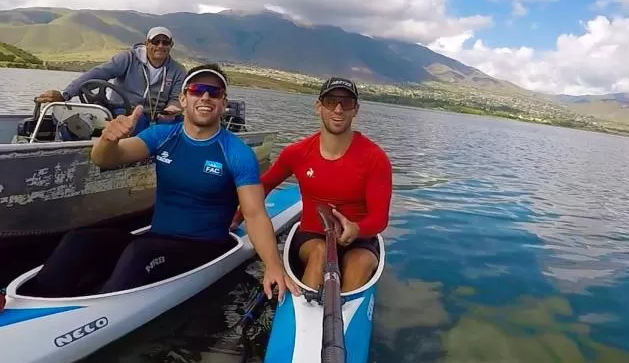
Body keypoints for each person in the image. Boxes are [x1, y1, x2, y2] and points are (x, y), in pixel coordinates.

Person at [31, 63, 299, 301]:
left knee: (139, 254)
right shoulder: (162, 136)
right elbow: (105, 160)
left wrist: (273, 266)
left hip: (203, 247)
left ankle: (89, 314)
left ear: (223, 102)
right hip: (156, 239)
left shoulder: (237, 153)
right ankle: (36, 301)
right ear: (183, 98)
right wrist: (108, 139)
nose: (205, 97)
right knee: (80, 240)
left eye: (214, 92)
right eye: (197, 89)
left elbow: (254, 215)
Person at [232, 77, 393, 292]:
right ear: (318, 107)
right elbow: (263, 186)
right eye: (330, 101)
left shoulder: (375, 158)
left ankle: (345, 312)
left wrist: (357, 229)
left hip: (359, 238)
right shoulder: (297, 153)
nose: (338, 109)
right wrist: (235, 219)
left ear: (355, 110)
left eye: (346, 103)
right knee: (320, 253)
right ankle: (306, 310)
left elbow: (379, 218)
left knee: (359, 263)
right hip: (312, 236)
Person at [35, 26, 187, 132]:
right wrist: (65, 94)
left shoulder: (178, 70)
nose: (160, 46)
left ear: (171, 45)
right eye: (155, 41)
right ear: (147, 43)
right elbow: (97, 74)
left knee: (178, 124)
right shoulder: (127, 58)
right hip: (122, 110)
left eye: (165, 42)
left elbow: (176, 99)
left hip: (156, 116)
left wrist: (170, 111)